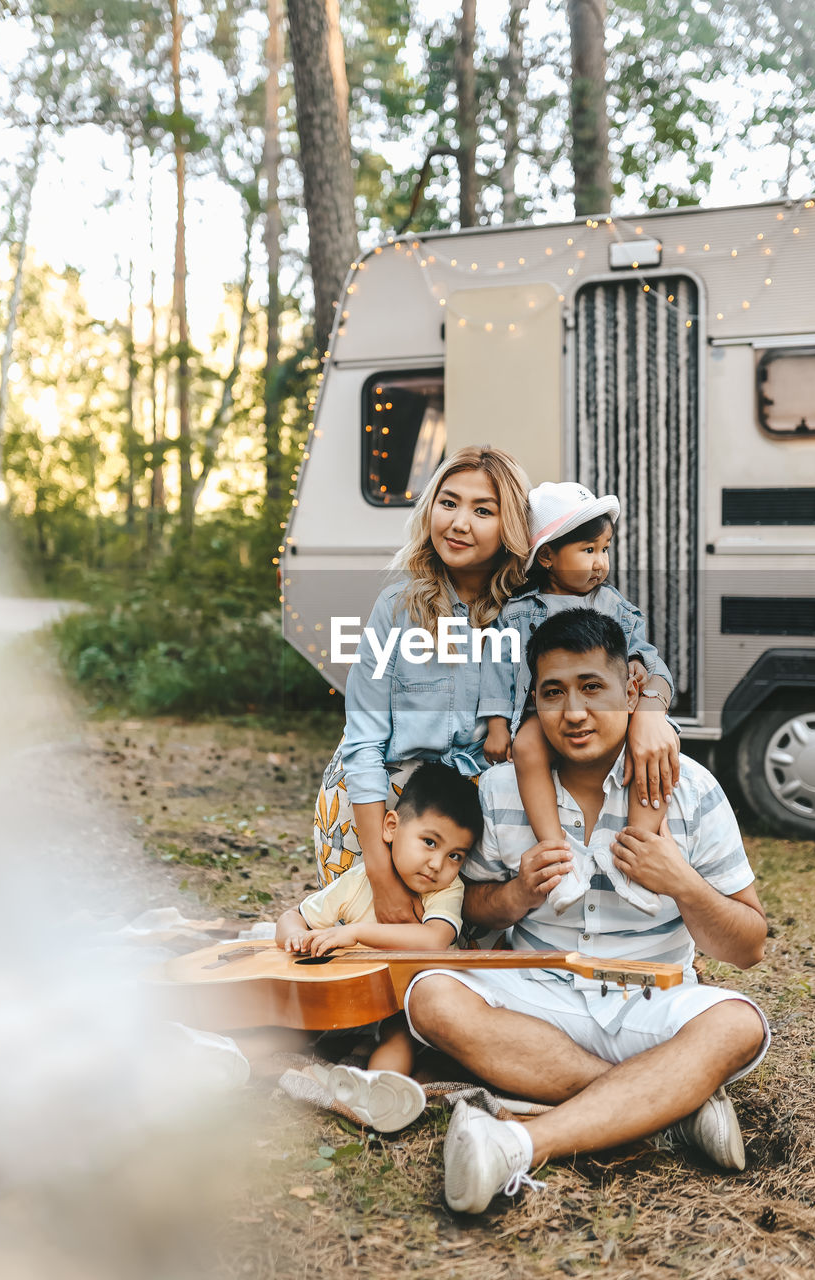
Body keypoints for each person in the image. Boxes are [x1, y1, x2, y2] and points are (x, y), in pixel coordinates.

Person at [406, 609, 769, 1215]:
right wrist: (514, 895)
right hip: (533, 997)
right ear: (535, 703)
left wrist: (683, 884)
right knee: (431, 997)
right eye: (554, 693)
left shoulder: (693, 788)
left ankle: (519, 1143)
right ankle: (668, 1107)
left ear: (632, 689)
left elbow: (748, 944)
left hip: (652, 1001)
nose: (573, 713)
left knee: (737, 1024)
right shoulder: (499, 792)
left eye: (591, 687)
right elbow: (466, 915)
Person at [313, 446, 529, 930]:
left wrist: (650, 701)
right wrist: (380, 872)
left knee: (456, 956)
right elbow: (364, 741)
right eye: (448, 503)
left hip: (471, 810)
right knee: (368, 948)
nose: (458, 523)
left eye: (483, 510)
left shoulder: (529, 615)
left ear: (509, 524)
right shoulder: (396, 608)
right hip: (376, 802)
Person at [479, 481, 680, 915]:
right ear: (548, 556)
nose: (600, 563)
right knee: (528, 745)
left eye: (604, 550)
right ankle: (558, 860)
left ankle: (638, 862)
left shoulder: (616, 608)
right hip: (541, 713)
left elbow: (648, 657)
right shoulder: (519, 612)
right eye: (588, 550)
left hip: (609, 716)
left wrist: (646, 694)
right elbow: (497, 668)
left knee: (648, 750)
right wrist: (497, 723)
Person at [277, 763, 482, 1132]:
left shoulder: (446, 891)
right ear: (390, 827)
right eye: (430, 842)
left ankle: (375, 1097)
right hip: (353, 997)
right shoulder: (358, 881)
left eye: (455, 856)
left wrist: (357, 932)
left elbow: (434, 940)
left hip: (408, 1000)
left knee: (397, 1032)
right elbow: (293, 916)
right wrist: (294, 935)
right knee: (289, 1023)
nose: (437, 864)